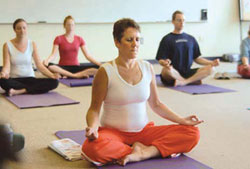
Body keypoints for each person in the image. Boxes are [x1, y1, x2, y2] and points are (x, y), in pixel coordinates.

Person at [81, 18, 203, 166]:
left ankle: (144, 153)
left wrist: (182, 121)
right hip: (114, 134)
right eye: (129, 40)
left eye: (138, 40)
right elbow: (94, 109)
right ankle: (143, 150)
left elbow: (156, 104)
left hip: (144, 131)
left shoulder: (147, 67)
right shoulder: (105, 71)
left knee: (192, 133)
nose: (135, 44)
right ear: (117, 42)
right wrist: (93, 127)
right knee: (91, 148)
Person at [156, 10, 220, 86]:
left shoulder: (191, 39)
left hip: (188, 72)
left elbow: (197, 58)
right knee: (165, 71)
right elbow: (160, 59)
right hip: (173, 72)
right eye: (179, 20)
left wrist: (211, 63)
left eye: (183, 20)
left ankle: (184, 82)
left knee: (211, 69)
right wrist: (165, 63)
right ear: (173, 22)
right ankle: (191, 80)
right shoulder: (167, 39)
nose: (182, 23)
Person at [0, 18, 59, 96]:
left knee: (54, 82)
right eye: (19, 28)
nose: (22, 30)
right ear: (14, 30)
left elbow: (39, 65)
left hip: (30, 78)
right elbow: (6, 67)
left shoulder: (32, 44)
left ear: (27, 29)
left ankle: (19, 91)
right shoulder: (7, 45)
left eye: (24, 28)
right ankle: (32, 89)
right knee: (3, 81)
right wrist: (4, 73)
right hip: (15, 79)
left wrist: (52, 75)